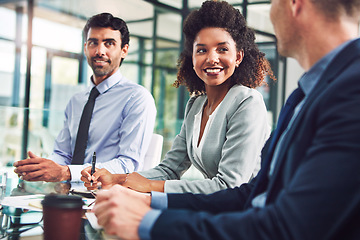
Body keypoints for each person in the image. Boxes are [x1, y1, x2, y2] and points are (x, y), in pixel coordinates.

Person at [92, 0, 360, 239]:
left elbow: (284, 223)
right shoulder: (306, 95)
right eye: (201, 50)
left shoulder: (348, 93)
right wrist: (135, 191)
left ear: (296, 4)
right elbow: (251, 194)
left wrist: (149, 218)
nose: (270, 11)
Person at [81, 0, 275, 194]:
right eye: (202, 50)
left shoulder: (247, 103)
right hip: (215, 208)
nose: (211, 58)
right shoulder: (196, 105)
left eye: (222, 49)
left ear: (238, 57)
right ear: (192, 58)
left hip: (249, 212)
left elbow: (229, 186)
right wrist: (116, 180)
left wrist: (149, 186)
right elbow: (169, 169)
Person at [13, 13, 156, 182]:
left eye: (109, 43)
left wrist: (66, 172)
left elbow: (128, 165)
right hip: (67, 192)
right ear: (85, 47)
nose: (99, 51)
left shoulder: (137, 98)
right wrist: (43, 167)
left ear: (124, 50)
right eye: (93, 42)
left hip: (105, 196)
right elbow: (63, 153)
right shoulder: (76, 101)